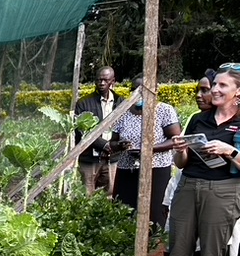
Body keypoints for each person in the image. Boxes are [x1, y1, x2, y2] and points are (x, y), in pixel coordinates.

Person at [160, 65, 240, 256]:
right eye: (214, 85)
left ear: (238, 92)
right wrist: (180, 151)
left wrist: (230, 151)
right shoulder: (199, 120)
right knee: (177, 254)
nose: (215, 90)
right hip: (189, 185)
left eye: (222, 86)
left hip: (224, 191)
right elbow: (182, 163)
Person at [110, 75, 181, 227]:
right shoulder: (123, 112)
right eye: (134, 90)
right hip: (127, 168)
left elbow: (175, 139)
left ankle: (151, 247)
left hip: (156, 168)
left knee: (153, 213)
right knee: (124, 211)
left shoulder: (164, 110)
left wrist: (148, 149)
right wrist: (120, 145)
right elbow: (113, 142)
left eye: (143, 90)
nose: (138, 94)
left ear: (155, 90)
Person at [75, 66, 123, 195]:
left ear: (113, 81)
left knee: (112, 193)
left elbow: (124, 127)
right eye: (98, 80)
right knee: (86, 194)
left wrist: (115, 146)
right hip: (89, 158)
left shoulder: (121, 102)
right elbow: (82, 130)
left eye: (105, 80)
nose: (101, 83)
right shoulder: (84, 103)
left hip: (112, 158)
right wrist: (104, 145)